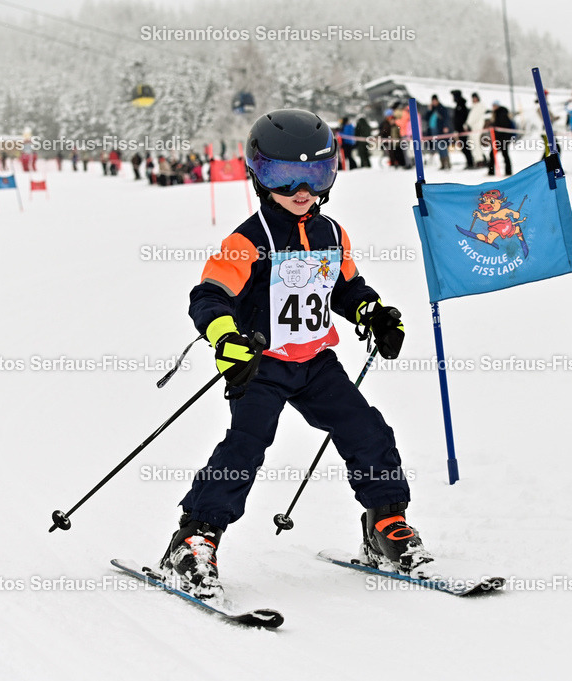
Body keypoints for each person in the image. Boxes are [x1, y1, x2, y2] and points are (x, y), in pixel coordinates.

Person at [158, 108, 431, 600]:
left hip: (315, 362)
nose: (302, 190)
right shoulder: (247, 240)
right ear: (260, 176)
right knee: (245, 447)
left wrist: (373, 313)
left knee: (367, 431)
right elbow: (210, 296)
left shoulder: (332, 234)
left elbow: (345, 289)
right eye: (284, 176)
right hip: (261, 364)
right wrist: (226, 339)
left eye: (316, 175)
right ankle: (195, 538)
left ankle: (385, 522)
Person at [487, 101, 515, 176]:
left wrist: (495, 129)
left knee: (498, 154)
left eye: (494, 105)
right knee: (501, 154)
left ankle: (493, 171)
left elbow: (503, 126)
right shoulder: (497, 113)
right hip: (500, 138)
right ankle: (507, 171)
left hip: (502, 139)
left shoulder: (501, 113)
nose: (493, 107)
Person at [451, 89, 475, 169]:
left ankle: (470, 163)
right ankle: (470, 162)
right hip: (460, 130)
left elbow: (461, 118)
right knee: (464, 147)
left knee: (465, 147)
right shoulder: (459, 105)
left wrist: (461, 127)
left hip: (462, 130)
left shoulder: (461, 105)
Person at [427, 94, 452, 170]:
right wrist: (429, 110)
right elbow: (426, 118)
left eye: (435, 101)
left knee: (442, 146)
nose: (434, 102)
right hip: (433, 130)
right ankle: (443, 164)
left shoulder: (441, 108)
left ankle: (447, 163)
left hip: (440, 130)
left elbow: (446, 118)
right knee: (438, 146)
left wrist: (445, 126)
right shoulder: (432, 109)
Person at [466, 93, 488, 169]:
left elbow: (473, 118)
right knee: (473, 145)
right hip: (473, 129)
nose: (473, 99)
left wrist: (467, 124)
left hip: (477, 129)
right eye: (473, 98)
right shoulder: (474, 107)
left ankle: (480, 161)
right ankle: (479, 160)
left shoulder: (479, 107)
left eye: (475, 98)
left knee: (476, 145)